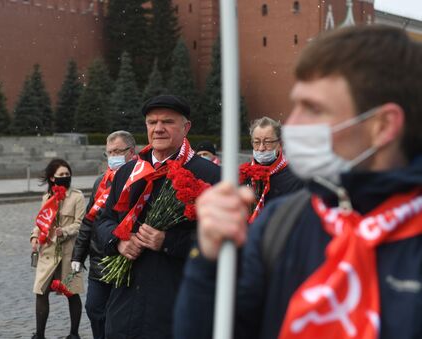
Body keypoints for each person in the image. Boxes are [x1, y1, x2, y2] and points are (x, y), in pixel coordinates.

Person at [174, 25, 422, 339]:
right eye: (296, 105)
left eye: (314, 109)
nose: (292, 126)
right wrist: (208, 262)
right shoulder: (282, 224)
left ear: (382, 126)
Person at [96, 94, 220, 339]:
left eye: (167, 122)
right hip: (125, 308)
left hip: (178, 308)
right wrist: (118, 241)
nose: (158, 129)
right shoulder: (128, 172)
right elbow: (103, 220)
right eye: (152, 123)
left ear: (186, 128)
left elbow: (222, 242)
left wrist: (168, 242)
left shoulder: (210, 176)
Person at [71, 130, 136, 339]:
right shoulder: (101, 181)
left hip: (126, 260)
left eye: (118, 151)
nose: (113, 156)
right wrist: (77, 255)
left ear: (131, 152)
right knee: (94, 309)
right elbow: (89, 220)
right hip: (100, 260)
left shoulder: (140, 178)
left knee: (118, 316)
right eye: (109, 152)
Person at [30, 158, 86, 339]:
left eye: (67, 174)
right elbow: (40, 222)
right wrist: (34, 237)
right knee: (41, 290)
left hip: (68, 252)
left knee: (72, 292)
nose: (65, 177)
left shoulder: (77, 196)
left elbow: (81, 224)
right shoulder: (47, 197)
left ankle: (74, 333)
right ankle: (39, 335)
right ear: (52, 178)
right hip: (47, 252)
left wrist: (64, 231)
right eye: (61, 175)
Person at [239, 117, 302, 222]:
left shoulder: (295, 177)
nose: (261, 148)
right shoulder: (243, 173)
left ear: (279, 144)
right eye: (256, 142)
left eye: (267, 142)